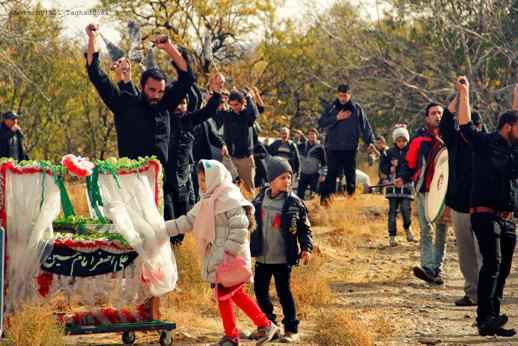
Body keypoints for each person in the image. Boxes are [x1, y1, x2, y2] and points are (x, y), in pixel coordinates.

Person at [165, 160, 279, 346]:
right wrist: (160, 229)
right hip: (220, 259)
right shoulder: (207, 201)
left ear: (215, 177)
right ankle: (247, 330)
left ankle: (243, 332)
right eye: (199, 180)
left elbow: (241, 226)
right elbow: (185, 222)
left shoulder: (229, 197)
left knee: (229, 295)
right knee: (230, 295)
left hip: (231, 258)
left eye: (204, 179)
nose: (201, 184)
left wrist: (229, 253)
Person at [457, 77, 518, 337]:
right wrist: (464, 93)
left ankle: (493, 317)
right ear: (508, 127)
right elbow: (465, 126)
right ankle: (484, 319)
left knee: (502, 270)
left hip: (507, 219)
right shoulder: (485, 143)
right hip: (484, 215)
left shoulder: (515, 148)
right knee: (491, 264)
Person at [85, 23, 194, 167]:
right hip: (130, 178)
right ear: (142, 87)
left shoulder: (165, 104)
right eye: (152, 90)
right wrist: (92, 38)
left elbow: (187, 77)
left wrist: (169, 47)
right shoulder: (125, 104)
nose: (156, 95)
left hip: (159, 179)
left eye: (160, 91)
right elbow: (95, 74)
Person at [250, 157, 313, 343]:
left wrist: (306, 248)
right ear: (272, 180)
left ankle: (291, 329)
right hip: (262, 256)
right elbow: (248, 223)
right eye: (283, 177)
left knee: (284, 292)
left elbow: (304, 228)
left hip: (283, 257)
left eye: (289, 177)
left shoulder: (294, 203)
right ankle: (268, 325)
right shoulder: (259, 199)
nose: (288, 181)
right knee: (260, 292)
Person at [396, 102, 448, 285]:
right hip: (424, 190)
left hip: (444, 193)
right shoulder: (419, 140)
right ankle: (427, 267)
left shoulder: (451, 137)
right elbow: (408, 163)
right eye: (433, 113)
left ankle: (436, 268)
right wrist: (403, 177)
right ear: (427, 117)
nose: (437, 116)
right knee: (426, 230)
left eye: (440, 113)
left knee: (442, 230)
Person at [440, 94, 482, 307]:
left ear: (477, 126)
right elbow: (444, 123)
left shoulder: (485, 142)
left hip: (482, 206)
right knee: (465, 252)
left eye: (469, 125)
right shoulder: (454, 142)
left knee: (483, 252)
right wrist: (459, 96)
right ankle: (472, 292)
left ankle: (487, 295)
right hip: (459, 205)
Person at [319, 83, 375, 204]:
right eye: (340, 96)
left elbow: (365, 126)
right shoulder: (331, 107)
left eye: (345, 96)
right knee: (331, 175)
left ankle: (351, 202)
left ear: (350, 95)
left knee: (350, 176)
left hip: (350, 148)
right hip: (333, 148)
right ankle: (326, 204)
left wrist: (370, 142)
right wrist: (336, 118)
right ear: (337, 95)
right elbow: (321, 123)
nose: (343, 98)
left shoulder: (356, 108)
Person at [214, 90, 260, 198]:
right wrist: (221, 101)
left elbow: (254, 113)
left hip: (245, 159)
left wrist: (249, 98)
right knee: (227, 186)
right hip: (230, 158)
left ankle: (250, 212)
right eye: (232, 105)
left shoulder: (247, 116)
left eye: (236, 105)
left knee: (248, 189)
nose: (234, 107)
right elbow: (216, 115)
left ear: (242, 103)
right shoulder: (228, 115)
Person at [381, 126, 414, 246]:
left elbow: (413, 167)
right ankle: (392, 236)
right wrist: (390, 168)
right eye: (399, 140)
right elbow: (382, 167)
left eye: (404, 140)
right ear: (395, 140)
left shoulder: (411, 151)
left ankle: (407, 228)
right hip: (392, 186)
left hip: (406, 186)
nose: (401, 143)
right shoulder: (388, 152)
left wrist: (404, 178)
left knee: (406, 209)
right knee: (392, 212)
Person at [297, 128, 326, 199]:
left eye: (313, 134)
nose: (312, 136)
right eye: (310, 134)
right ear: (307, 136)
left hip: (314, 175)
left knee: (314, 195)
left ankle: (314, 209)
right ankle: (300, 209)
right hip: (303, 174)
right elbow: (294, 151)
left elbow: (324, 163)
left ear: (317, 136)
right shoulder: (302, 146)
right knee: (299, 194)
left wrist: (323, 175)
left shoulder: (320, 148)